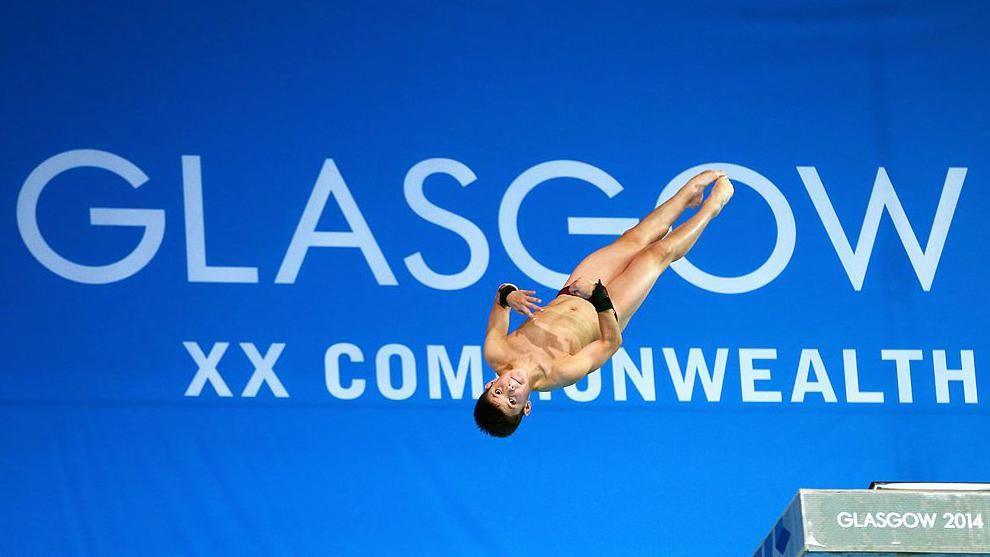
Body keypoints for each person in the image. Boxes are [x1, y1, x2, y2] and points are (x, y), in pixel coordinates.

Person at [474, 170, 734, 437]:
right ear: (527, 407)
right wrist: (598, 296)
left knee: (634, 238)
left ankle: (686, 197)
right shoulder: (559, 373)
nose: (510, 389)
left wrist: (510, 296)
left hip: (573, 291)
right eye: (513, 401)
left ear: (489, 383)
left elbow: (500, 297)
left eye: (499, 392)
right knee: (657, 255)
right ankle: (712, 207)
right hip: (608, 308)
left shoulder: (497, 351)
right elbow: (611, 343)